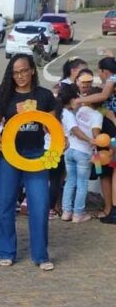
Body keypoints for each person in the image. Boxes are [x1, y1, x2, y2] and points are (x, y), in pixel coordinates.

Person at [0, 54, 56, 271]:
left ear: (32, 71)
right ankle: (6, 251)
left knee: (39, 205)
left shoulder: (45, 96)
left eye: (24, 71)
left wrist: (59, 142)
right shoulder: (4, 95)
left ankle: (41, 255)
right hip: (9, 156)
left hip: (36, 155)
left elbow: (52, 126)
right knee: (7, 204)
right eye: (15, 72)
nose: (20, 76)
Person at [60, 85, 101, 223]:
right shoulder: (97, 115)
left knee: (70, 181)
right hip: (83, 152)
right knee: (82, 183)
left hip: (70, 150)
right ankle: (78, 214)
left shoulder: (81, 109)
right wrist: (93, 141)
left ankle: (66, 212)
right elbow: (96, 136)